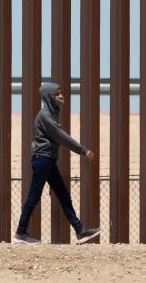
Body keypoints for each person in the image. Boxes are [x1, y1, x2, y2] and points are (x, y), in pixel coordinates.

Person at [12, 82, 101, 244]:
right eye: (57, 94)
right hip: (43, 160)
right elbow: (61, 136)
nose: (61, 97)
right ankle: (20, 233)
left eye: (61, 93)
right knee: (34, 196)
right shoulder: (45, 116)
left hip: (48, 161)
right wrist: (83, 150)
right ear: (49, 97)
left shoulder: (51, 114)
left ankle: (80, 231)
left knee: (63, 194)